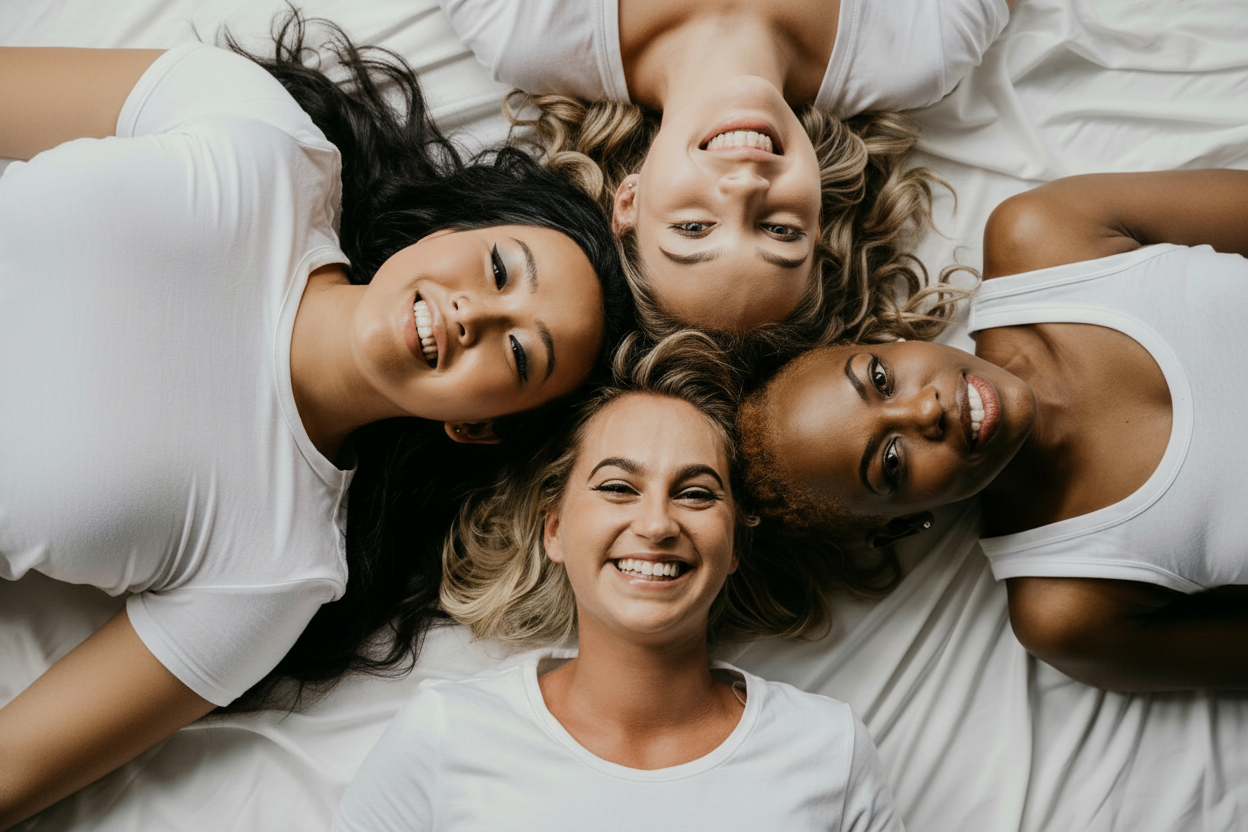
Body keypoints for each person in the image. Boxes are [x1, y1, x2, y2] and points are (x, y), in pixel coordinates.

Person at [0, 14, 633, 827]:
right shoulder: (257, 131)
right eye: (500, 268)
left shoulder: (275, 571)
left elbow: (14, 765)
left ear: (480, 428)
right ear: (453, 230)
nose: (475, 313)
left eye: (519, 355)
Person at [330, 331, 902, 831]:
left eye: (697, 493)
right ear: (554, 529)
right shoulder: (446, 733)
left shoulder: (829, 748)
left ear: (734, 546)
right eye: (617, 487)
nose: (656, 524)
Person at [737, 169, 1248, 693]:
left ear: (884, 338)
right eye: (891, 462)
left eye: (881, 379)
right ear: (897, 524)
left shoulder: (1046, 235)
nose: (923, 413)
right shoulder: (1071, 605)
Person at [439, 0, 1012, 345]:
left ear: (629, 201)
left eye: (692, 227)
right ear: (821, 217)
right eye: (781, 231)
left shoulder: (527, 29)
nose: (744, 185)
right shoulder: (920, 51)